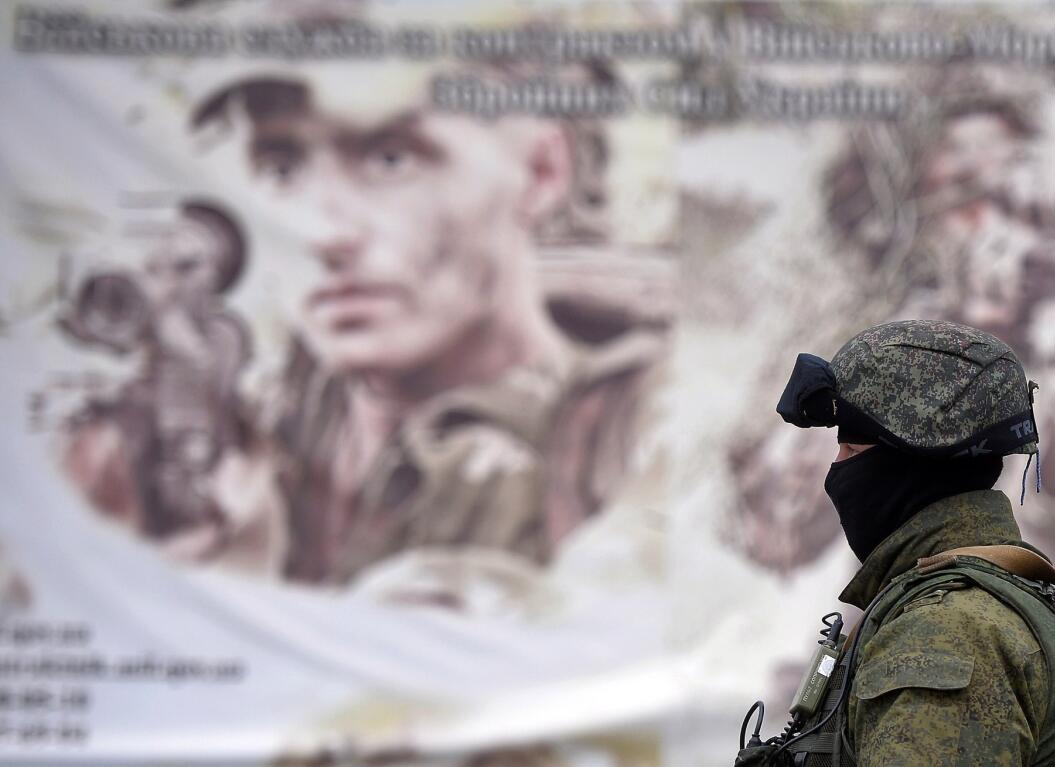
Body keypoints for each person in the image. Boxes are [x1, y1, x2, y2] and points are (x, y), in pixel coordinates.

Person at [176, 66, 666, 584]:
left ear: (542, 172)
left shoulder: (630, 435)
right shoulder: (247, 411)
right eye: (280, 169)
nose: (321, 232)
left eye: (392, 160)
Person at [738, 319, 1055, 766]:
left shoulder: (944, 633)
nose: (836, 469)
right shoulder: (1022, 600)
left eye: (851, 450)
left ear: (910, 464)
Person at [60, 199, 252, 553]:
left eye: (187, 266)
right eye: (162, 259)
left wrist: (168, 322)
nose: (167, 273)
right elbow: (98, 332)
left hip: (186, 474)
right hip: (127, 461)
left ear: (214, 278)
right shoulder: (146, 311)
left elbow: (207, 368)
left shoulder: (225, 331)